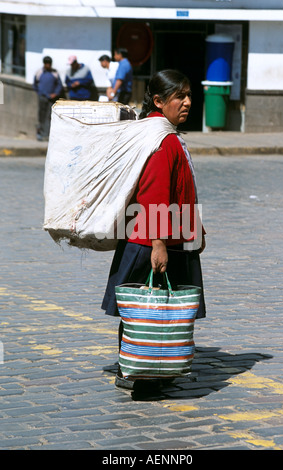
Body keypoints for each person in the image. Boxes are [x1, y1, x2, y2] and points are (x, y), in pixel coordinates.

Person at [101, 69, 206, 390]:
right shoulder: (162, 140)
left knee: (151, 309)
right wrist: (159, 243)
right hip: (154, 241)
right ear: (159, 101)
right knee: (144, 309)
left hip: (166, 237)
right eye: (180, 96)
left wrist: (195, 230)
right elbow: (156, 193)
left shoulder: (165, 134)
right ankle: (141, 373)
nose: (187, 102)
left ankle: (147, 367)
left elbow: (182, 189)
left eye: (189, 95)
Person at [33, 56, 63, 141]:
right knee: (41, 115)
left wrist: (55, 93)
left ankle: (49, 134)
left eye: (49, 64)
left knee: (50, 116)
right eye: (46, 64)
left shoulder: (54, 73)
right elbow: (35, 84)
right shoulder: (39, 72)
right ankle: (41, 133)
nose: (48, 65)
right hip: (42, 97)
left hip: (51, 98)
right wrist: (40, 93)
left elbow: (59, 85)